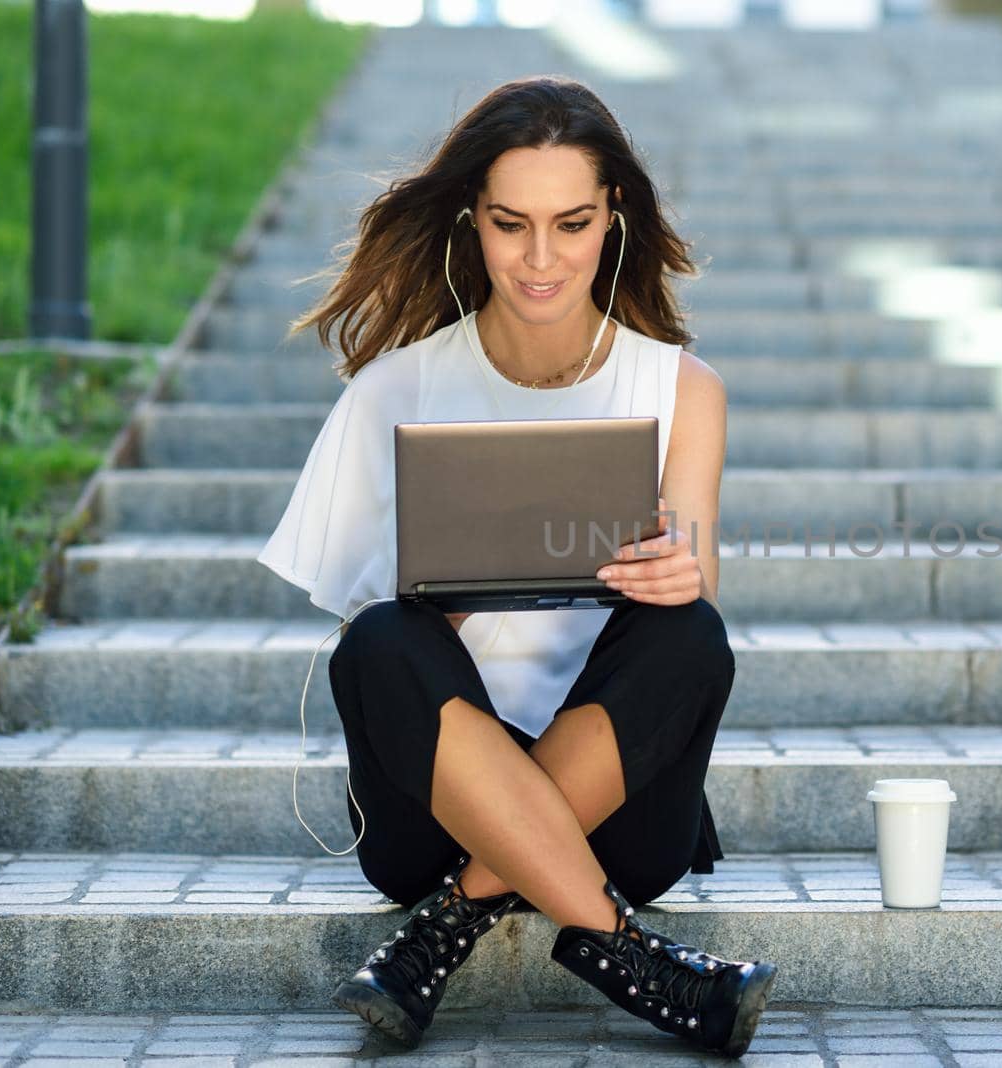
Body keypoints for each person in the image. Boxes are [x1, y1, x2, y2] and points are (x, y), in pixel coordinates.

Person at [254, 74, 777, 1058]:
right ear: (471, 221)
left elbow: (691, 580)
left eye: (571, 223)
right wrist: (427, 609)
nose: (541, 259)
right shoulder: (392, 390)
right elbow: (367, 653)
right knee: (377, 639)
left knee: (691, 628)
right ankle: (636, 960)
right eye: (510, 224)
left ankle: (440, 934)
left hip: (623, 820)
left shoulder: (683, 388)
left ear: (612, 216)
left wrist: (677, 573)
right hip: (431, 814)